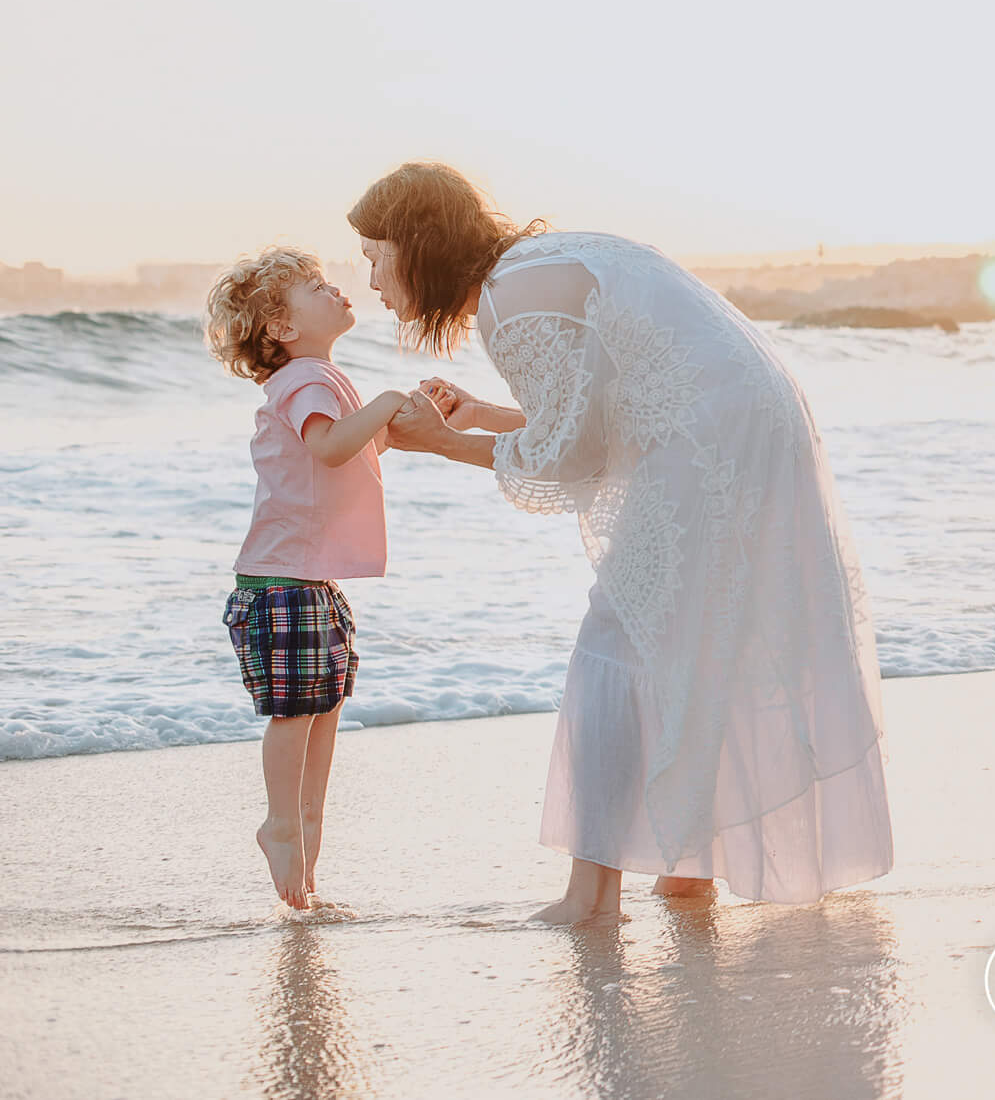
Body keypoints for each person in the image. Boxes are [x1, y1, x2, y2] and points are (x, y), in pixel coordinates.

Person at [356, 162, 894, 924]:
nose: (371, 278)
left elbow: (574, 455)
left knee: (613, 644)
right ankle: (687, 869)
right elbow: (607, 421)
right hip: (755, 422)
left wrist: (442, 444)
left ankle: (592, 896)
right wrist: (479, 416)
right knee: (700, 640)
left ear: (418, 245)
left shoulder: (509, 300)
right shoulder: (545, 260)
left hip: (711, 437)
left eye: (375, 253)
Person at [206, 248, 411, 907]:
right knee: (297, 714)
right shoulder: (306, 382)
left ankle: (307, 854)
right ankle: (282, 824)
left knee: (324, 711)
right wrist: (385, 402)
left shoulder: (319, 379)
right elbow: (328, 446)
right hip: (282, 584)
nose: (336, 289)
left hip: (307, 581)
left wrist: (392, 418)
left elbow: (347, 452)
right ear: (283, 329)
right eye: (316, 287)